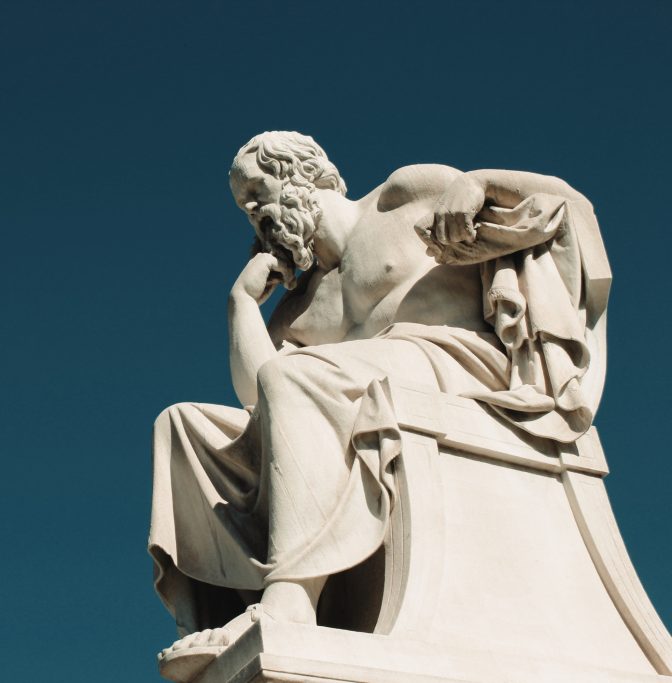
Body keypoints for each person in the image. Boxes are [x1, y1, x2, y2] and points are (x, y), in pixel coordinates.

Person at [149, 131, 609, 666]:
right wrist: (242, 303)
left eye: (257, 191)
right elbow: (259, 398)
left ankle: (290, 598)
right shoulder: (298, 308)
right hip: (353, 382)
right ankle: (211, 624)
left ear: (302, 173)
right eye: (244, 207)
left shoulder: (399, 196)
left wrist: (482, 183)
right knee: (181, 424)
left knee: (297, 376)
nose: (253, 213)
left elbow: (569, 203)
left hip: (454, 359)